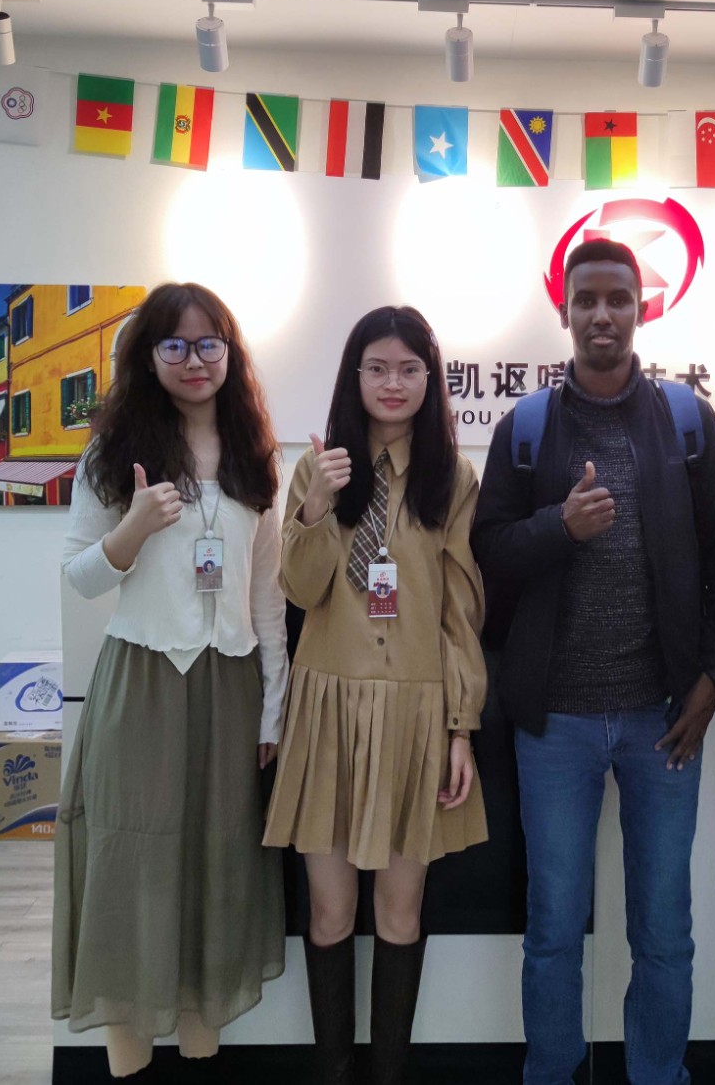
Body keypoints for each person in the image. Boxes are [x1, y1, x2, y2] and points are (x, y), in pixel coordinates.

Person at [472, 239, 715, 1085]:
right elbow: (487, 552)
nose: (603, 314)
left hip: (662, 717)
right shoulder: (526, 429)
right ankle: (551, 1072)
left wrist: (714, 678)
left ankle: (658, 1074)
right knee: (554, 927)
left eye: (619, 299)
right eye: (587, 299)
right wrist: (560, 526)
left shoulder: (687, 423)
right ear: (565, 311)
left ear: (641, 308)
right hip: (553, 720)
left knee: (663, 929)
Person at [53, 282, 288, 1078]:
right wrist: (132, 527)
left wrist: (273, 712)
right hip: (142, 682)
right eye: (176, 345)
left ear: (230, 353)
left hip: (231, 688)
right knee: (132, 866)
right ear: (148, 357)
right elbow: (81, 576)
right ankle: (129, 1062)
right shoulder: (112, 454)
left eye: (209, 343)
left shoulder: (256, 456)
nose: (195, 360)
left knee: (216, 868)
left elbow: (267, 598)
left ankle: (199, 1052)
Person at [263, 305, 486, 1085]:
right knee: (330, 914)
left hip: (417, 712)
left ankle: (387, 1075)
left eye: (409, 369)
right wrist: (317, 509)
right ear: (353, 377)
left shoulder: (452, 478)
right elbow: (299, 590)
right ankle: (333, 1072)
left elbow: (459, 612)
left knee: (400, 912)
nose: (394, 383)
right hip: (327, 708)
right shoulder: (317, 466)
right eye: (378, 368)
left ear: (431, 379)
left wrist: (460, 726)